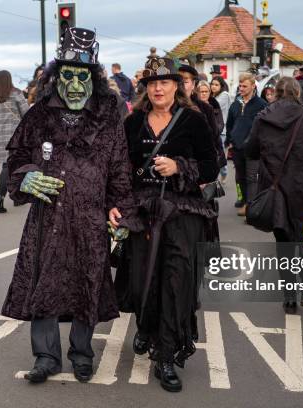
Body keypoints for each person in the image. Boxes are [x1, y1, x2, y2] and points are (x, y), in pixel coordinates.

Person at [1, 27, 136, 385]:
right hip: (48, 217)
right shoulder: (39, 114)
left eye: (82, 76)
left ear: (94, 79)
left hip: (91, 217)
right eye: (67, 76)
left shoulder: (109, 116)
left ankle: (81, 353)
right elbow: (14, 158)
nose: (75, 84)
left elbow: (120, 167)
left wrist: (120, 209)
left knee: (87, 283)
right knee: (43, 284)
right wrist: (26, 176)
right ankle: (45, 356)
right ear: (54, 78)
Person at [115, 56, 219, 393]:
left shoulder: (193, 120)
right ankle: (145, 327)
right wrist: (117, 204)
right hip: (143, 213)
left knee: (175, 281)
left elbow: (211, 165)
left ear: (177, 86)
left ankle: (166, 355)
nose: (158, 88)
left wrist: (178, 166)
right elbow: (119, 168)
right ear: (146, 88)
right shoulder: (132, 123)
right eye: (152, 83)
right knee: (144, 279)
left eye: (165, 82)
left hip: (181, 212)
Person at [243, 77, 303, 314]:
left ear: (275, 94)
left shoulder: (262, 119)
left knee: (283, 242)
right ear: (298, 94)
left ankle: (289, 296)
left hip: (276, 189)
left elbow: (249, 150)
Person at [225, 73, 267, 214]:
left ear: (253, 86)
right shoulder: (235, 104)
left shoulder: (261, 105)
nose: (241, 88)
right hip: (237, 147)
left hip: (253, 147)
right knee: (239, 176)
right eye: (240, 85)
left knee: (251, 177)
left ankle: (251, 206)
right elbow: (230, 124)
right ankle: (243, 199)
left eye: (244, 86)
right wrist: (229, 140)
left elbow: (264, 127)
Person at [0, 70, 30, 213]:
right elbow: (26, 114)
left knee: (12, 166)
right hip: (13, 135)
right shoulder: (16, 94)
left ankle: (16, 197)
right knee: (9, 166)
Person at [211, 76, 231, 182]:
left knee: (220, 155)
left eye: (216, 85)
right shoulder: (212, 96)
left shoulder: (224, 95)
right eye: (212, 84)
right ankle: (217, 176)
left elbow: (213, 105)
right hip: (213, 130)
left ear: (221, 86)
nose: (213, 87)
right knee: (215, 155)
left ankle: (223, 173)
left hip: (221, 130)